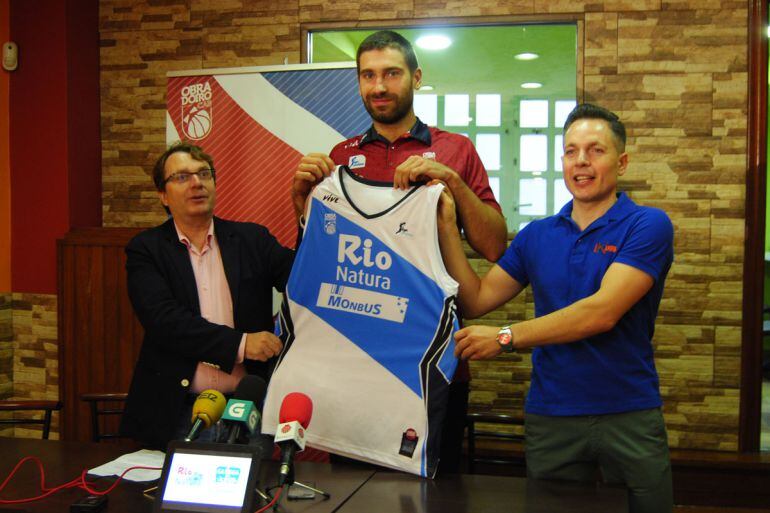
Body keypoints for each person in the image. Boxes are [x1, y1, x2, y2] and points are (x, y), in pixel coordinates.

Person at [437, 103, 673, 512]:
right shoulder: (537, 235)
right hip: (552, 414)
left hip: (629, 411)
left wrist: (507, 337)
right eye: (570, 151)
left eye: (596, 150)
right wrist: (445, 228)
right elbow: (475, 300)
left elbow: (601, 312)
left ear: (622, 161)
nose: (581, 161)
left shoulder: (648, 225)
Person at [290, 30, 508, 473]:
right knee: (350, 489)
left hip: (429, 360)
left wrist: (452, 181)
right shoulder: (340, 155)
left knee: (430, 489)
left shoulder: (455, 149)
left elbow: (494, 244)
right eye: (368, 75)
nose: (379, 86)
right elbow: (322, 260)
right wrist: (302, 204)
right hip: (351, 359)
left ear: (416, 77)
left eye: (391, 73)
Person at [120, 141, 294, 449]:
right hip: (177, 412)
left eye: (204, 173)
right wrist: (241, 344)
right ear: (163, 195)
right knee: (171, 498)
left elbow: (302, 280)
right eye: (183, 177)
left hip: (245, 410)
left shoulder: (252, 239)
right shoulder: (146, 249)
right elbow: (165, 322)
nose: (197, 183)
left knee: (256, 496)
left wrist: (304, 214)